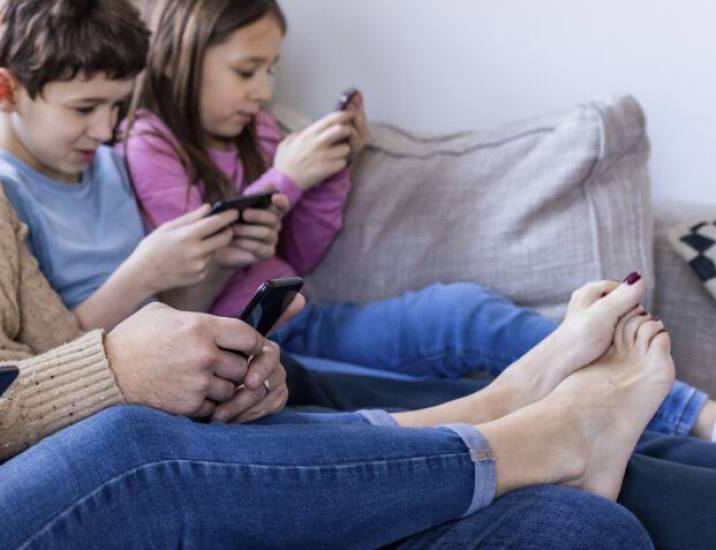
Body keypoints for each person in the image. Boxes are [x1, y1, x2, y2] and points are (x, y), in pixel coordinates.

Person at [0, 0, 678, 546]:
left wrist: (212, 382)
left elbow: (56, 344)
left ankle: (520, 433)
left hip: (98, 482)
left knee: (577, 527)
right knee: (136, 442)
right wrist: (119, 373)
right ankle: (520, 419)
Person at [119, 0, 716, 439]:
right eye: (246, 71)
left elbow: (298, 253)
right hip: (254, 346)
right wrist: (288, 177)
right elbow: (193, 268)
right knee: (454, 349)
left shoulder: (261, 131)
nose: (262, 90)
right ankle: (675, 416)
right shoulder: (149, 141)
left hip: (308, 318)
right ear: (177, 62)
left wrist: (335, 172)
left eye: (270, 71)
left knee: (462, 318)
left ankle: (675, 413)